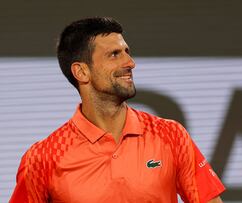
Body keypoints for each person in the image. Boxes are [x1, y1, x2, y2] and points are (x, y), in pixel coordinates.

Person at [10, 17, 225, 203]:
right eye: (114, 54)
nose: (130, 63)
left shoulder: (172, 136)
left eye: (126, 52)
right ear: (82, 72)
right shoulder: (42, 158)